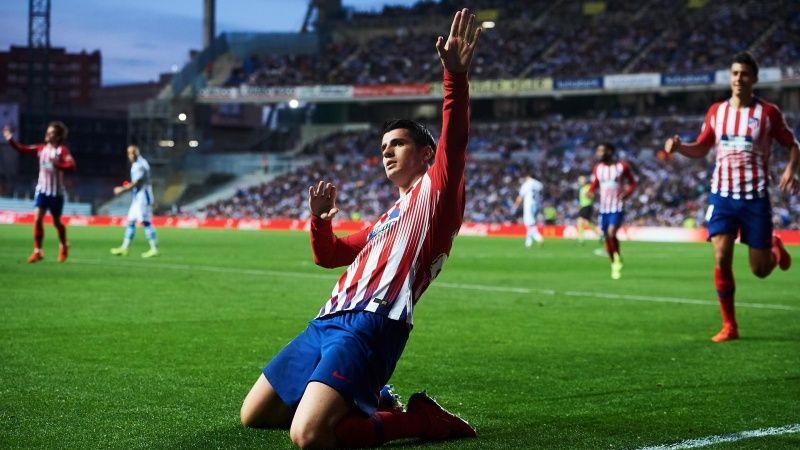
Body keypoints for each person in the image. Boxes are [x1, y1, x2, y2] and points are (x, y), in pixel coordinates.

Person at [238, 9, 481, 448]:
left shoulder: (438, 194)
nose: (387, 153)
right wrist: (319, 221)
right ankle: (373, 398)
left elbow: (456, 139)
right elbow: (328, 256)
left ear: (427, 154)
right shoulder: (385, 220)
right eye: (383, 147)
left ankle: (421, 420)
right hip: (326, 320)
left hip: (373, 322)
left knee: (309, 435)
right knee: (254, 415)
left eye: (398, 144)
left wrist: (455, 78)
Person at [664, 51, 797, 342]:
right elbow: (702, 147)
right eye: (735, 73)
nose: (739, 78)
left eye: (744, 74)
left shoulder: (768, 113)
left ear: (754, 79)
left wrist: (790, 169)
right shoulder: (716, 111)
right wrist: (680, 147)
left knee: (760, 270)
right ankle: (730, 326)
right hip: (722, 196)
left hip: (755, 198)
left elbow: (793, 144)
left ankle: (774, 247)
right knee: (721, 257)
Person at [2, 122, 76, 263]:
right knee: (37, 218)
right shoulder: (41, 149)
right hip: (42, 190)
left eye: (51, 132)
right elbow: (22, 149)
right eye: (47, 131)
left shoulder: (62, 150)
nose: (47, 134)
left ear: (58, 136)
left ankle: (63, 245)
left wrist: (58, 164)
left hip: (56, 193)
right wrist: (10, 139)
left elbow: (71, 165)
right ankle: (38, 251)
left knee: (56, 222)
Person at [588, 142, 637, 280]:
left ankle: (616, 260)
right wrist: (590, 191)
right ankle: (614, 261)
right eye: (598, 151)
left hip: (617, 206)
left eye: (601, 151)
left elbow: (633, 182)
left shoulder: (622, 166)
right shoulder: (598, 168)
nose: (598, 154)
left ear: (609, 151)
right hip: (604, 208)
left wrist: (628, 193)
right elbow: (595, 183)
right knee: (607, 236)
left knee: (611, 232)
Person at [110, 145, 159, 258]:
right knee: (131, 221)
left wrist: (122, 189)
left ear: (137, 153)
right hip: (137, 197)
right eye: (129, 153)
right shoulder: (137, 164)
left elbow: (137, 183)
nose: (131, 155)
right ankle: (125, 248)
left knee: (146, 222)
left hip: (143, 197)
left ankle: (154, 249)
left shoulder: (140, 165)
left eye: (133, 153)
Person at [512, 175, 544, 247]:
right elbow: (541, 187)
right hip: (536, 205)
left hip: (529, 206)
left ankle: (538, 238)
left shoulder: (526, 185)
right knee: (531, 224)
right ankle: (528, 242)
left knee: (529, 224)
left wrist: (515, 206)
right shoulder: (537, 183)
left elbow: (520, 197)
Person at [576, 175, 599, 245]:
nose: (580, 182)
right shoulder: (581, 189)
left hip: (587, 206)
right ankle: (600, 234)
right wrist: (580, 206)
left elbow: (592, 196)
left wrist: (588, 195)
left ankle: (581, 239)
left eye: (581, 180)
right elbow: (582, 200)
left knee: (580, 221)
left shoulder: (588, 187)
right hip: (583, 207)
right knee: (586, 222)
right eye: (579, 181)